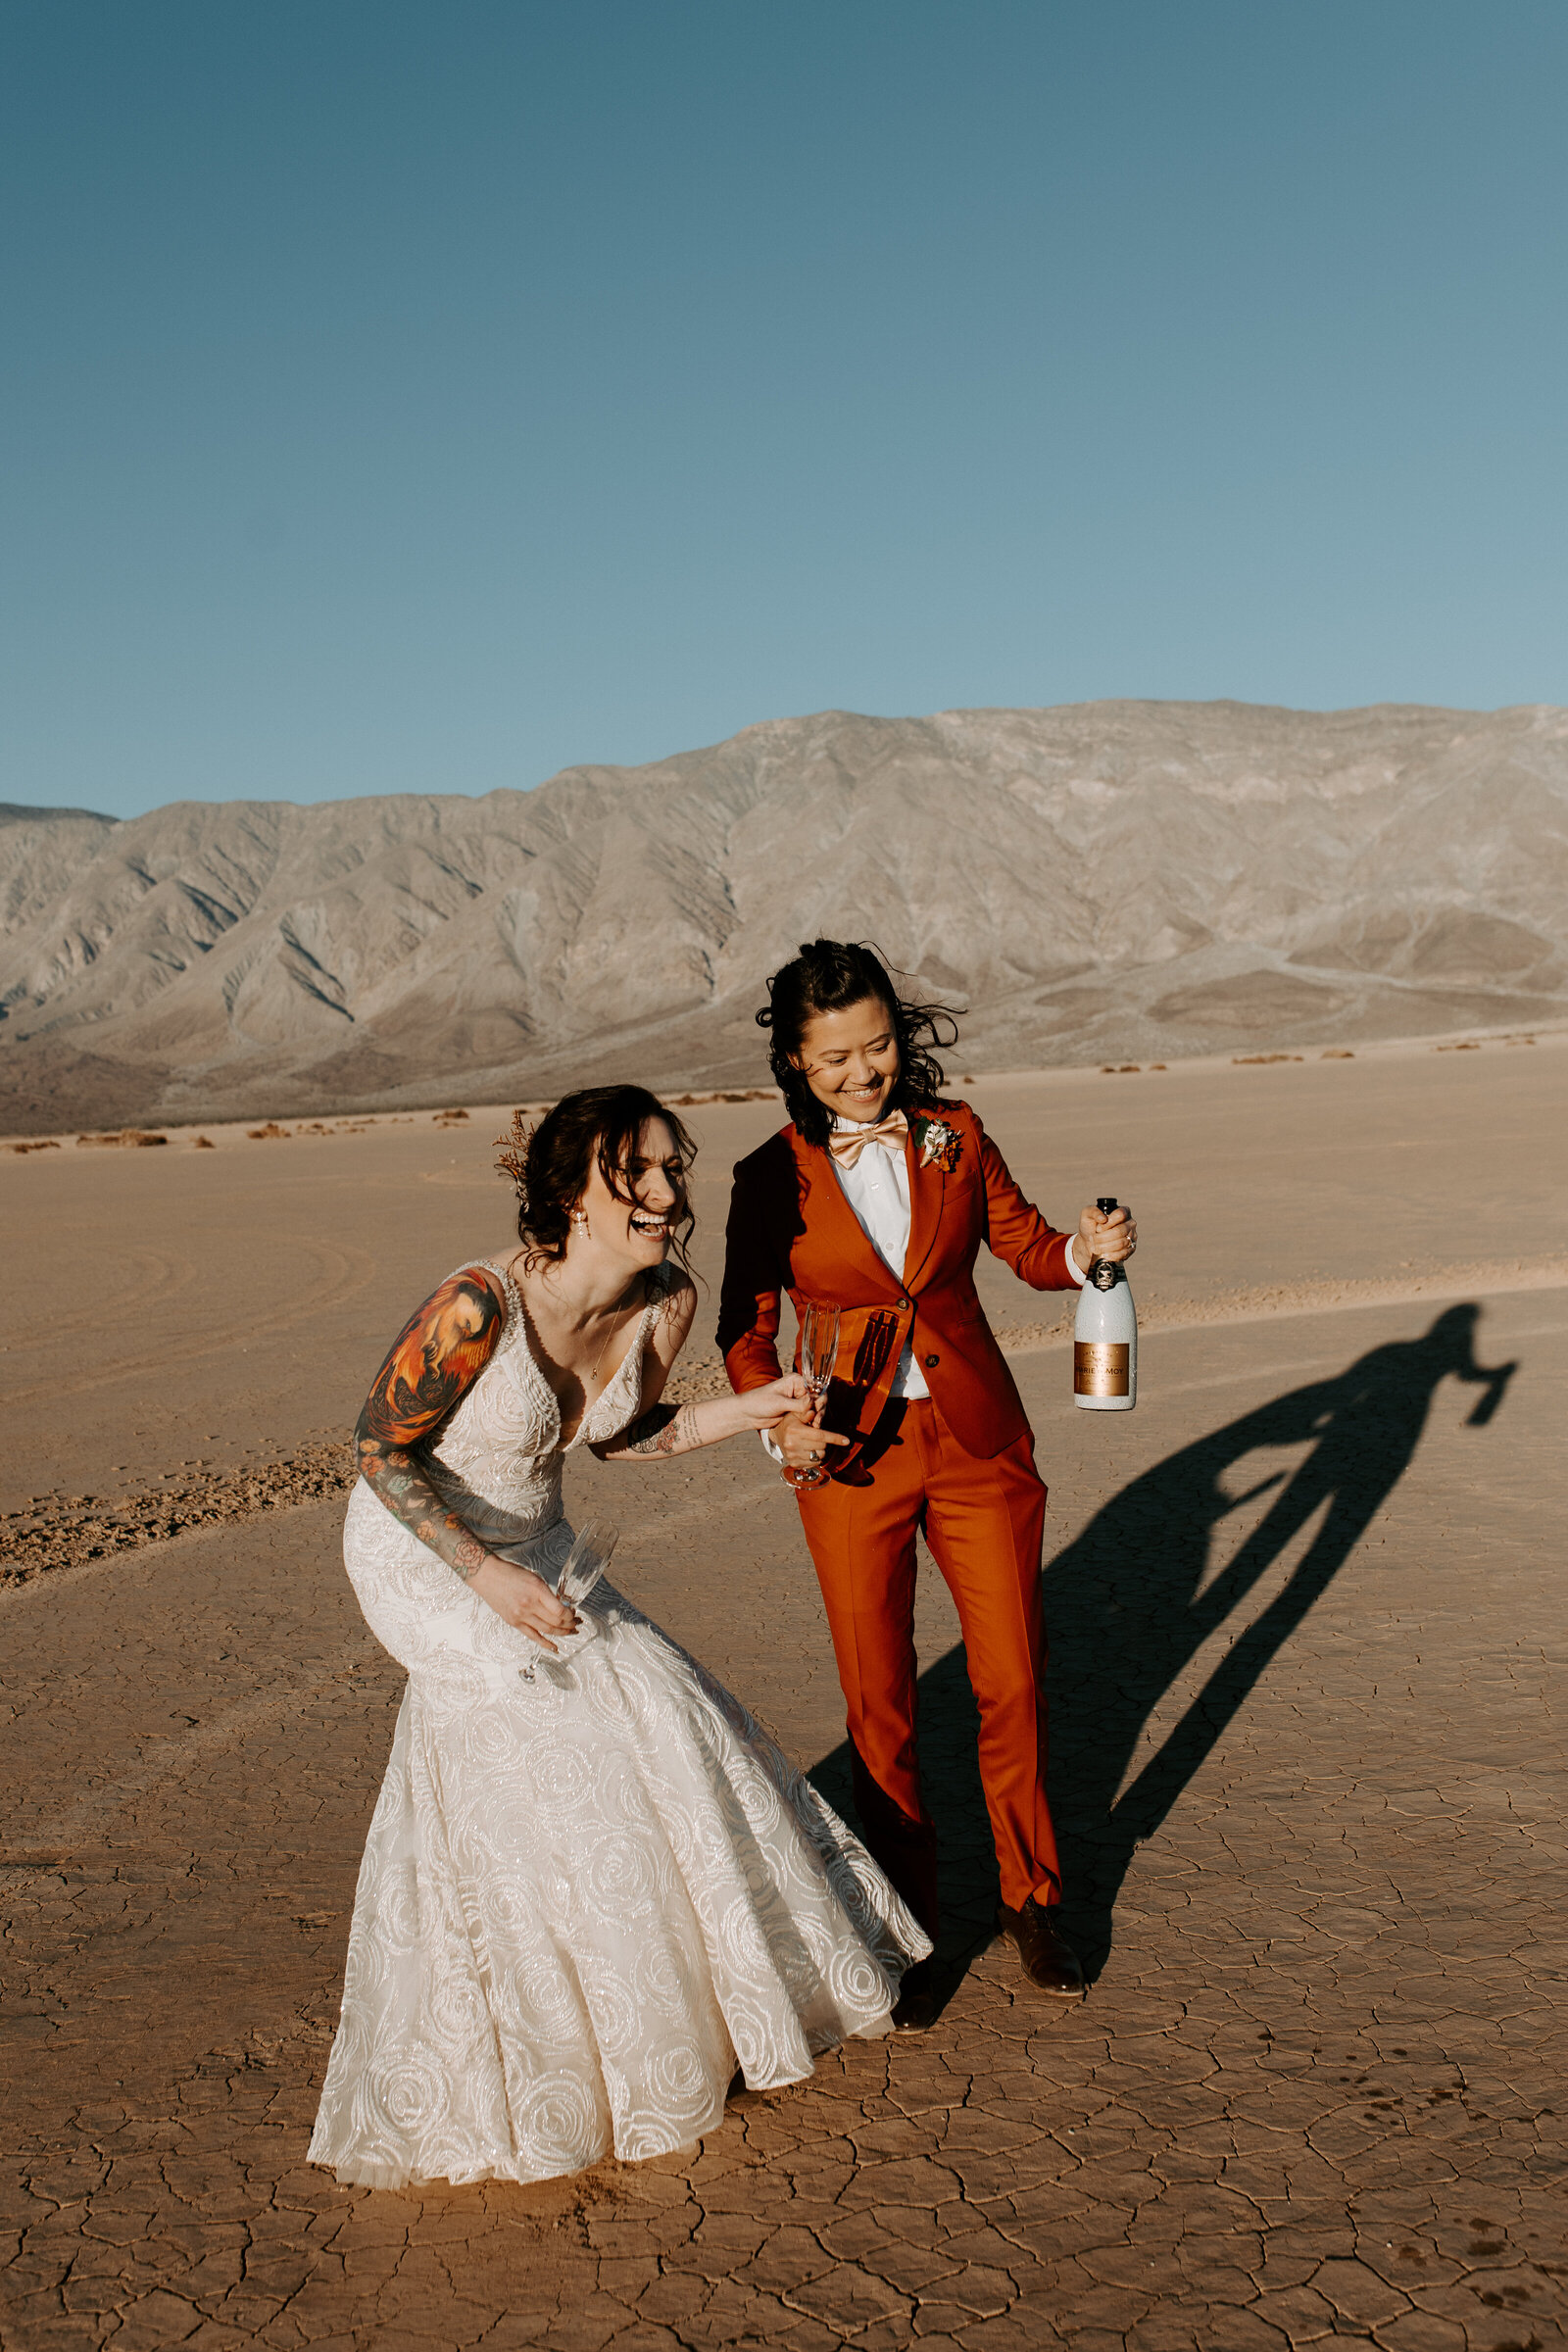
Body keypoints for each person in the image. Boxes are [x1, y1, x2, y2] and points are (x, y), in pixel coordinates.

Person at [309, 1084, 930, 2191]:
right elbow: (378, 1451)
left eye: (669, 1169)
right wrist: (488, 1578)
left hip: (535, 1541)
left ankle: (678, 2014)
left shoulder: (667, 1297)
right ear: (569, 1190)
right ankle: (544, 2057)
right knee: (538, 1723)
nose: (660, 1193)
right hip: (424, 1553)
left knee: (654, 1701)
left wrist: (755, 1410)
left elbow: (621, 1437)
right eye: (631, 1171)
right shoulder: (476, 1305)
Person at [717, 942, 1135, 2018]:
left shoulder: (956, 1136)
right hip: (848, 1456)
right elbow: (744, 1329)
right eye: (838, 1058)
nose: (866, 1073)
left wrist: (1087, 1252)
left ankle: (1031, 1897)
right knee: (880, 1701)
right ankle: (906, 1926)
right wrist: (777, 1428)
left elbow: (1027, 1249)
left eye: (881, 1046)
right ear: (796, 1065)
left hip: (980, 1447)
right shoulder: (767, 1178)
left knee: (1013, 1680)